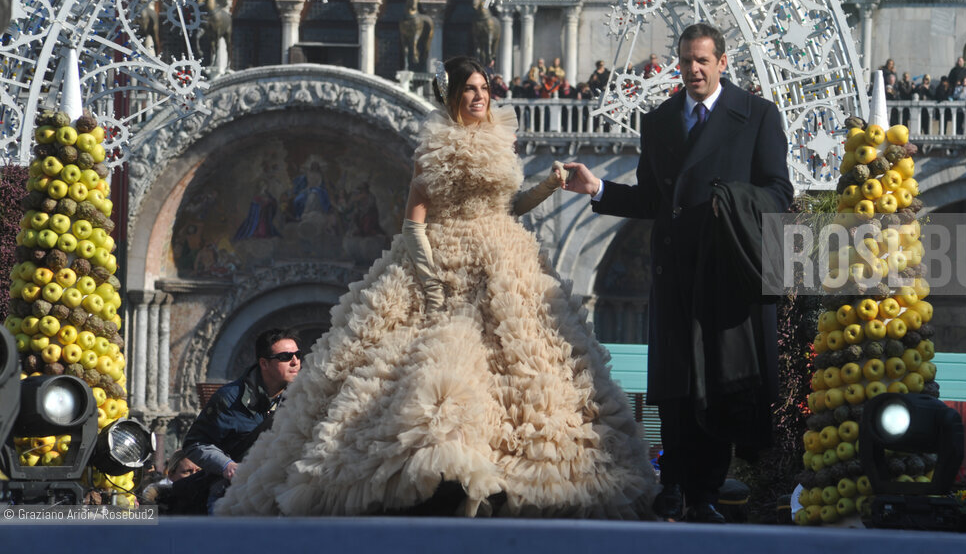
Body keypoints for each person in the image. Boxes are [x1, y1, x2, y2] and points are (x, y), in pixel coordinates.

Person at [217, 56, 656, 518]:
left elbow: (507, 207)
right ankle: (437, 476)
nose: (480, 96)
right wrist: (429, 283)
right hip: (447, 262)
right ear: (451, 96)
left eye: (484, 88)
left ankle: (511, 476)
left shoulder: (498, 139)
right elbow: (413, 225)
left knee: (530, 370)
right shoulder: (436, 146)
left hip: (506, 261)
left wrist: (548, 185)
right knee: (436, 364)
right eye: (469, 88)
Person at [563, 23, 793, 524]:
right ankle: (672, 485)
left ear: (723, 63)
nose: (692, 70)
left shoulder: (756, 116)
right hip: (673, 273)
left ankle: (705, 492)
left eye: (702, 61)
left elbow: (778, 194)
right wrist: (597, 188)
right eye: (686, 61)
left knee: (715, 379)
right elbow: (651, 199)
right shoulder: (662, 120)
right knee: (674, 382)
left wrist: (729, 202)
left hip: (723, 273)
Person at [181, 328, 301, 512]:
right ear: (264, 363)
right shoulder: (229, 398)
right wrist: (226, 466)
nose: (295, 362)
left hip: (283, 497)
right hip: (232, 497)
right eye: (285, 356)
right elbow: (194, 443)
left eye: (297, 355)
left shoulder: (303, 398)